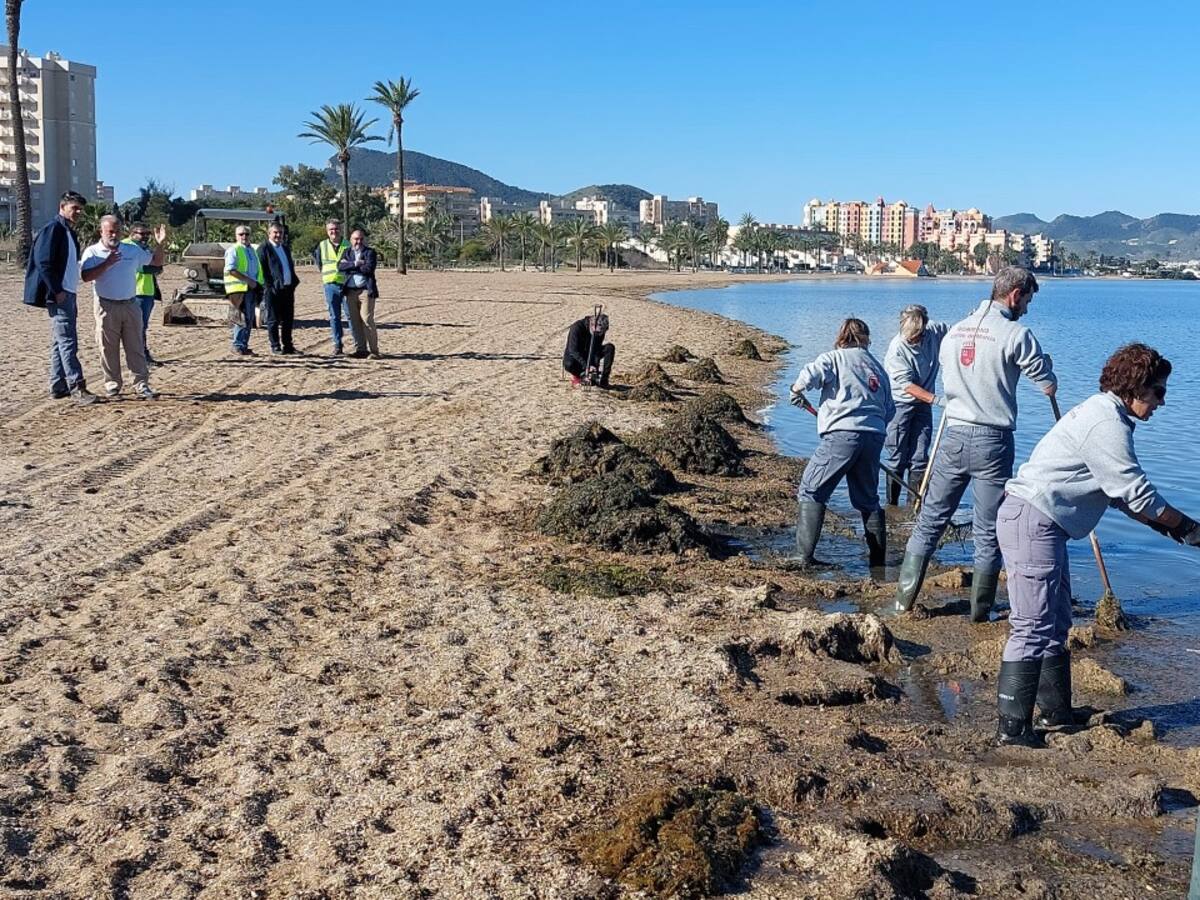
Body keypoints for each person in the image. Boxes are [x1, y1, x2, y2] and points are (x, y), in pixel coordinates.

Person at [994, 343, 1199, 746]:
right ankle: (1012, 729)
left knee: (1055, 622)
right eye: (1158, 391)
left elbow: (1120, 495)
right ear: (1135, 388)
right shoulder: (1106, 423)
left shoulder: (1108, 415)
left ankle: (1056, 713)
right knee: (1032, 625)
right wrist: (1189, 526)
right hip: (1032, 520)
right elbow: (1137, 493)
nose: (1162, 400)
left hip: (1042, 523)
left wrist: (1172, 530)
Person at [894, 267, 1056, 622]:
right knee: (988, 530)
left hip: (953, 433)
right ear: (1014, 295)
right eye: (1027, 300)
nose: (1027, 308)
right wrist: (1049, 370)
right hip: (992, 440)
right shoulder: (1016, 333)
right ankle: (980, 613)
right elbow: (1046, 384)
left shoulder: (955, 331)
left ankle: (902, 604)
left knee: (930, 522)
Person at [789, 318, 895, 567]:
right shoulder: (878, 368)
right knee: (868, 499)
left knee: (811, 488)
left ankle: (803, 556)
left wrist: (796, 390)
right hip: (874, 436)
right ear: (867, 339)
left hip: (841, 435)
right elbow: (889, 410)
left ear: (842, 338)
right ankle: (878, 563)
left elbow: (810, 375)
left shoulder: (834, 358)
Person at [80, 215, 166, 400]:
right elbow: (86, 276)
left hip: (130, 304)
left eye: (117, 231)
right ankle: (112, 385)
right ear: (101, 231)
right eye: (110, 231)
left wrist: (160, 244)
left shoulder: (131, 250)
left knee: (135, 346)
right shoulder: (92, 252)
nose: (114, 235)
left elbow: (156, 262)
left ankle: (141, 384)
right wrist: (107, 263)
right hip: (105, 305)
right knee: (107, 347)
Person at [23, 190, 97, 404]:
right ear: (62, 207)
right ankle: (77, 387)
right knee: (68, 342)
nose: (78, 212)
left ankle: (58, 385)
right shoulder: (53, 229)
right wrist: (57, 291)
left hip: (68, 292)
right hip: (60, 294)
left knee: (59, 341)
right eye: (74, 208)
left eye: (80, 209)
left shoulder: (67, 232)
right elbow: (43, 263)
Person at [882, 304, 948, 505]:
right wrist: (938, 400)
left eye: (917, 336)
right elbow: (908, 386)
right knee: (897, 456)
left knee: (920, 456)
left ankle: (914, 507)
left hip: (923, 405)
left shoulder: (934, 332)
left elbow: (956, 337)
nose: (914, 341)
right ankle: (891, 506)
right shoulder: (897, 350)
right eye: (910, 337)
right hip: (900, 405)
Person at [122, 222, 164, 366]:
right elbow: (145, 268)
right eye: (142, 234)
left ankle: (142, 354)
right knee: (136, 327)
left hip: (147, 291)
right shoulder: (128, 246)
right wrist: (154, 267)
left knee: (142, 326)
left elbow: (158, 265)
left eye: (148, 234)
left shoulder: (143, 248)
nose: (145, 237)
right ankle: (141, 356)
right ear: (132, 233)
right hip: (135, 291)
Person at [257, 222, 300, 355]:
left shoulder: (285, 247)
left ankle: (288, 346)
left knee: (288, 319)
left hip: (287, 289)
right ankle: (275, 346)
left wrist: (293, 282)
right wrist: (269, 286)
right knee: (273, 319)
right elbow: (262, 270)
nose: (278, 235)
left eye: (280, 232)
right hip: (273, 290)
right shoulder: (264, 248)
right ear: (269, 233)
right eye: (275, 232)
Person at [339, 228, 380, 358]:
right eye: (356, 239)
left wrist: (350, 265)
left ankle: (374, 351)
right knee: (355, 322)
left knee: (367, 319)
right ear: (351, 240)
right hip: (350, 292)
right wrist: (357, 263)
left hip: (365, 291)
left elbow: (369, 268)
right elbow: (340, 267)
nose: (359, 241)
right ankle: (361, 350)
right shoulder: (347, 252)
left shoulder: (370, 253)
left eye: (361, 239)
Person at [312, 219, 351, 357]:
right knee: (334, 317)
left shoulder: (348, 244)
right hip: (330, 285)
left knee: (351, 315)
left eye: (336, 229)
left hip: (347, 286)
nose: (334, 232)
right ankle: (338, 345)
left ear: (340, 229)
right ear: (327, 231)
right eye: (331, 230)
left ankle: (358, 345)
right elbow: (319, 263)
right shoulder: (322, 246)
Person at [224, 225, 264, 355]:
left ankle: (244, 346)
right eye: (241, 234)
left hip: (251, 289)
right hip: (239, 289)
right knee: (240, 318)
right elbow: (231, 270)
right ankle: (237, 345)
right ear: (236, 236)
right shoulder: (233, 250)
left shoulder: (252, 250)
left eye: (246, 234)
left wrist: (258, 284)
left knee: (249, 318)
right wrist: (249, 281)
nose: (244, 237)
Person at [562, 311, 614, 388]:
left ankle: (604, 380)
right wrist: (587, 366)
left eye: (601, 333)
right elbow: (573, 350)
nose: (599, 335)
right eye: (597, 332)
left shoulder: (600, 331)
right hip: (576, 356)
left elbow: (596, 349)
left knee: (609, 348)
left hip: (590, 354)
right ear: (591, 325)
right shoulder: (576, 328)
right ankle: (578, 376)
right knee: (569, 364)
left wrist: (594, 367)